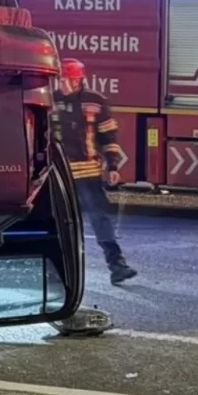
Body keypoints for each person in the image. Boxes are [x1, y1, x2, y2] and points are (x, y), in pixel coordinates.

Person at [53, 58, 137, 284]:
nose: (63, 84)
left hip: (87, 172)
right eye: (61, 79)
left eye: (68, 79)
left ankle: (117, 266)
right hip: (57, 173)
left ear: (78, 80)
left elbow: (108, 136)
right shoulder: (50, 101)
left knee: (100, 218)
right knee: (59, 221)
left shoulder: (96, 102)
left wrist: (113, 165)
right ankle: (58, 273)